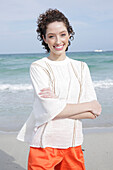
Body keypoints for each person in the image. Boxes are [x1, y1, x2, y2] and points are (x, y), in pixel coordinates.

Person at [17, 8, 101, 170]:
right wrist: (88, 105)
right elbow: (49, 108)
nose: (58, 41)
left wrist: (56, 106)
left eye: (62, 34)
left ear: (69, 34)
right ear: (44, 39)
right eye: (51, 36)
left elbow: (94, 113)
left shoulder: (81, 67)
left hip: (74, 144)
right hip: (44, 146)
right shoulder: (39, 67)